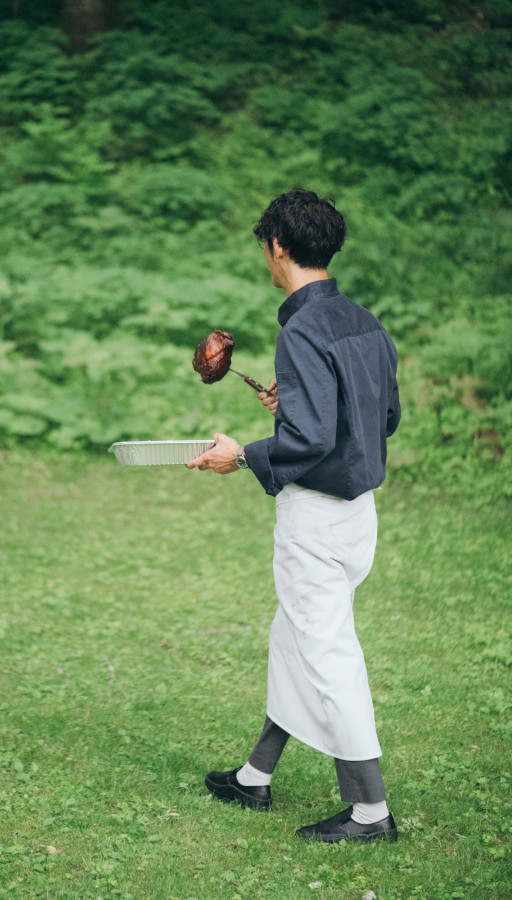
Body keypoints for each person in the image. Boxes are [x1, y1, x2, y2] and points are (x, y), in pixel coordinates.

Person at [187, 188, 401, 843]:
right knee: (294, 641)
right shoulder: (363, 321)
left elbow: (309, 442)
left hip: (317, 522)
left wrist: (241, 455)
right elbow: (381, 416)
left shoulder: (301, 328)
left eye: (265, 249)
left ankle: (370, 813)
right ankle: (256, 775)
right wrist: (299, 402)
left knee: (327, 655)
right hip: (358, 517)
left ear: (277, 247)